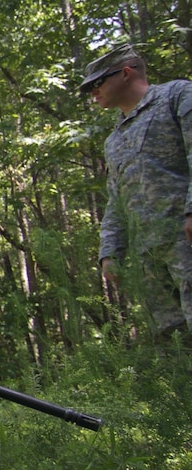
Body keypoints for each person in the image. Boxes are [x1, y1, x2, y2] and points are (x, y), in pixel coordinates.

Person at [80, 43, 192, 336]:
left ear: (126, 72)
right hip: (150, 258)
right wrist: (110, 252)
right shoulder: (114, 141)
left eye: (98, 82)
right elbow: (117, 200)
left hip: (186, 241)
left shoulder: (177, 95)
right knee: (174, 345)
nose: (93, 92)